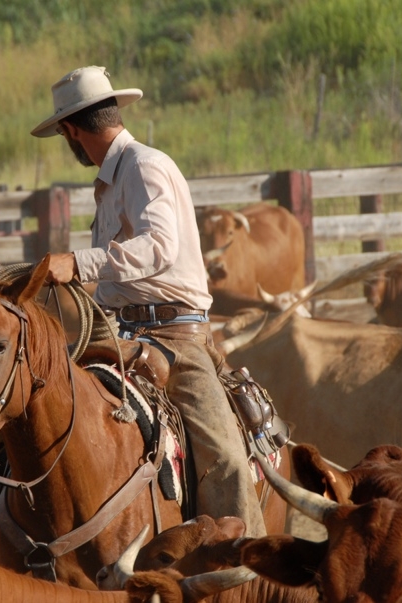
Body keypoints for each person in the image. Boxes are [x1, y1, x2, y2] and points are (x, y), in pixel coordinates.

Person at [31, 65, 266, 537]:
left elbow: (159, 249)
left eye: (64, 136)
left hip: (178, 340)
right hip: (124, 332)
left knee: (226, 463)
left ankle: (251, 569)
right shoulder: (113, 179)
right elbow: (124, 271)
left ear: (72, 131)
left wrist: (78, 264)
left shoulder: (144, 166)